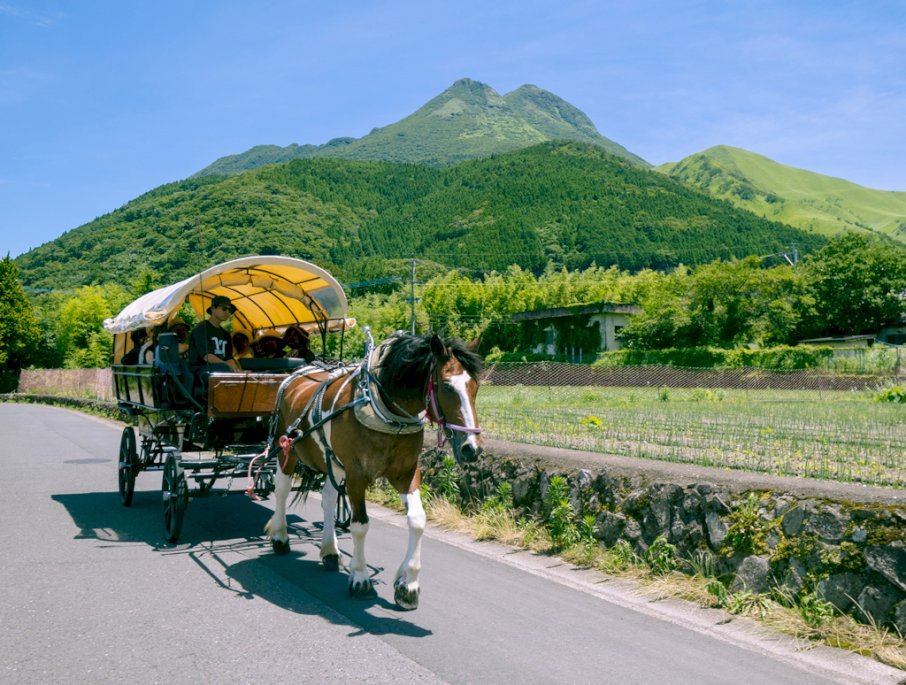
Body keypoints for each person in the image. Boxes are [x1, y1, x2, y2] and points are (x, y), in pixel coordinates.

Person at [188, 295, 241, 385]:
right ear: (213, 309)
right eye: (224, 309)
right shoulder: (201, 329)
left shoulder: (226, 334)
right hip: (201, 370)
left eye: (230, 310)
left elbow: (229, 357)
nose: (227, 312)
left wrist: (235, 368)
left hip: (221, 368)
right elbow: (206, 356)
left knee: (239, 371)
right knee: (223, 368)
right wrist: (227, 365)